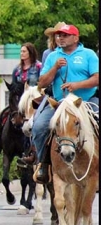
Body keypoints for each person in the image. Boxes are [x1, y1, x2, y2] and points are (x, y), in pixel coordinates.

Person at [31, 23, 99, 184]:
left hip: (86, 101)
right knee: (39, 126)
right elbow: (41, 83)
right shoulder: (53, 56)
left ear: (76, 38)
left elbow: (97, 78)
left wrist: (77, 85)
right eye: (58, 35)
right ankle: (43, 164)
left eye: (65, 35)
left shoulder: (88, 54)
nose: (60, 37)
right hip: (60, 103)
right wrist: (54, 68)